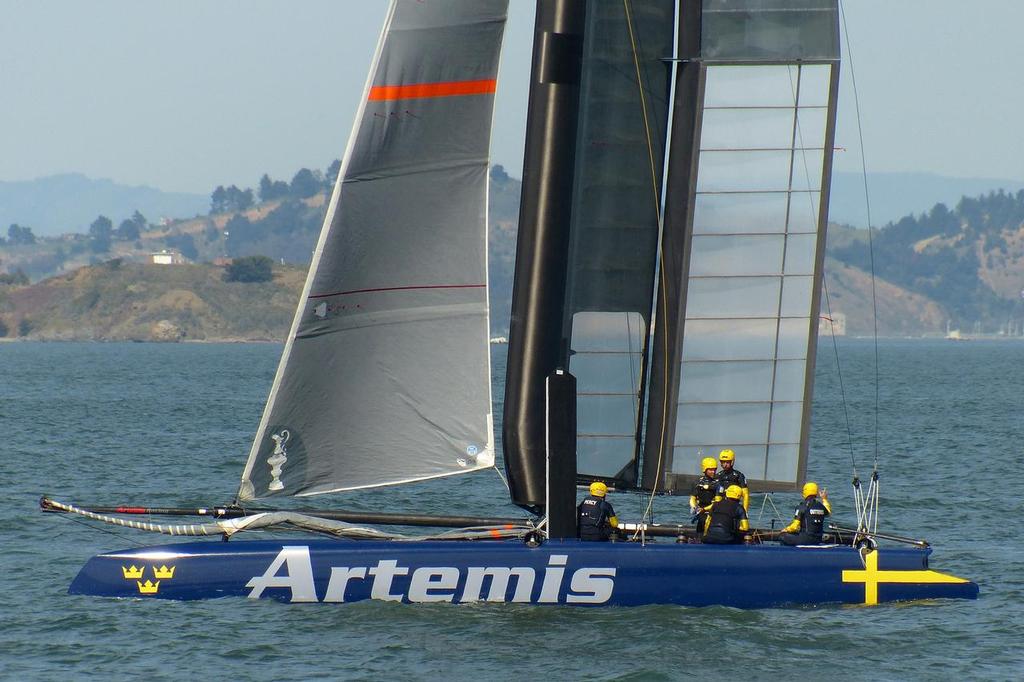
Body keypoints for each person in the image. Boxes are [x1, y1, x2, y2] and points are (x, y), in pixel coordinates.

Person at [690, 456, 719, 539]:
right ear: (705, 470)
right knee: (700, 528)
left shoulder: (718, 483)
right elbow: (693, 498)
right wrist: (694, 507)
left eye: (714, 469)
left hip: (713, 510)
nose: (713, 472)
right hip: (701, 510)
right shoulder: (698, 482)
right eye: (710, 469)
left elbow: (718, 501)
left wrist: (706, 509)